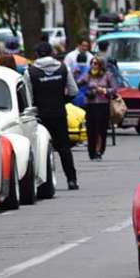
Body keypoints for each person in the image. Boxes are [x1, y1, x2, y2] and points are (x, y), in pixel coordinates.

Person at [24, 42, 80, 190]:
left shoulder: (30, 72)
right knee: (64, 148)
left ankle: (43, 182)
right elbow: (74, 91)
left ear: (37, 54)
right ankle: (72, 180)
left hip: (40, 116)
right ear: (52, 53)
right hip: (59, 113)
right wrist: (62, 101)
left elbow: (28, 97)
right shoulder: (63, 68)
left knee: (41, 148)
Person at [78, 57, 116, 160]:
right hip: (90, 105)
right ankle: (91, 151)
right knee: (91, 129)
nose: (93, 65)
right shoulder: (88, 74)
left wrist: (103, 90)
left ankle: (99, 151)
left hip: (103, 105)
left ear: (100, 65)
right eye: (92, 63)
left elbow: (114, 89)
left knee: (101, 129)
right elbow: (78, 82)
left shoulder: (108, 75)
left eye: (95, 63)